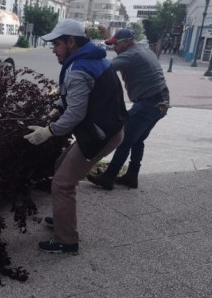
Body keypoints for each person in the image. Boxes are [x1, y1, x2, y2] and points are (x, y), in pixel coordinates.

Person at [23, 19, 127, 254]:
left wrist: (48, 132)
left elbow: (76, 113)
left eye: (57, 44)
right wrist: (57, 108)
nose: (53, 49)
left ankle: (66, 240)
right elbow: (77, 95)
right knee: (61, 165)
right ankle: (63, 218)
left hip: (100, 135)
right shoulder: (93, 59)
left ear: (71, 42)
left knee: (62, 183)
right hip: (106, 128)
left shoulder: (79, 69)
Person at [87, 29, 170, 190]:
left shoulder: (132, 55)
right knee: (137, 140)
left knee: (124, 139)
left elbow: (105, 70)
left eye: (116, 44)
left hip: (149, 103)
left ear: (128, 42)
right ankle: (131, 176)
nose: (114, 48)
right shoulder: (144, 50)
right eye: (112, 45)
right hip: (161, 102)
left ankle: (109, 177)